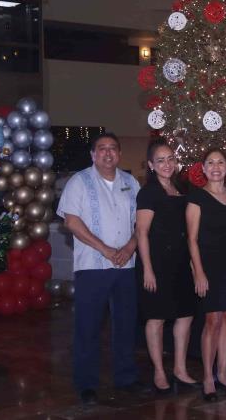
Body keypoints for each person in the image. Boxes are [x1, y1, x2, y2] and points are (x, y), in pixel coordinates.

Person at [57, 133, 142, 405]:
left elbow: (143, 222)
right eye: (101, 149)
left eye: (113, 149)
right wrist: (105, 249)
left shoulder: (131, 183)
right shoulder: (79, 182)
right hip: (92, 267)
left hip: (126, 266)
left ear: (119, 154)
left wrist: (130, 247)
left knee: (126, 325)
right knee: (88, 327)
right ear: (93, 155)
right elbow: (71, 222)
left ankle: (126, 378)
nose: (108, 153)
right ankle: (86, 384)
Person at [136, 138, 198, 394]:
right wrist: (148, 269)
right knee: (157, 318)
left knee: (185, 315)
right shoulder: (148, 192)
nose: (166, 164)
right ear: (151, 165)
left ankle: (180, 370)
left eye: (170, 158)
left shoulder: (180, 188)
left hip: (180, 262)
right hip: (157, 264)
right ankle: (160, 372)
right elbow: (141, 232)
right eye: (160, 160)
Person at [186, 147, 226, 401]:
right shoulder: (196, 198)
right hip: (208, 267)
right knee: (213, 321)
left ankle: (222, 373)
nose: (216, 167)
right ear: (204, 168)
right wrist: (198, 272)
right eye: (210, 162)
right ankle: (208, 377)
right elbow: (191, 239)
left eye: (220, 162)